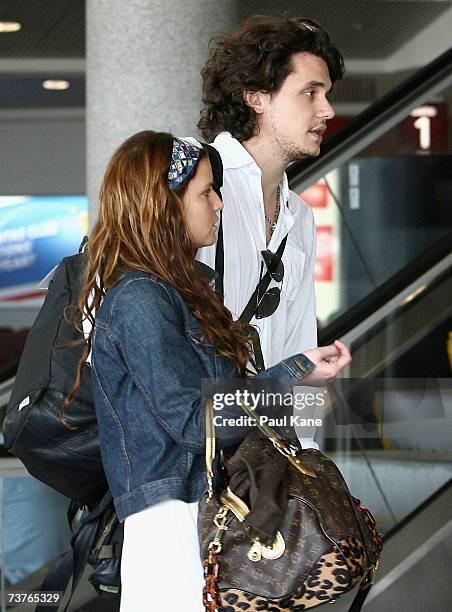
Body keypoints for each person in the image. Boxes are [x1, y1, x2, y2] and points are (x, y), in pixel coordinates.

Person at [64, 130, 351, 611]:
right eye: (204, 192)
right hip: (173, 522)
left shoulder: (177, 291)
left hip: (200, 513)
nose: (218, 203)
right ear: (164, 205)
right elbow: (194, 421)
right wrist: (289, 374)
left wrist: (293, 371)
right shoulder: (138, 299)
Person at [196, 15, 344, 369]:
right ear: (256, 97)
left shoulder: (299, 216)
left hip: (253, 419)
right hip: (184, 418)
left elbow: (297, 349)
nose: (328, 110)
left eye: (326, 94)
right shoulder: (191, 180)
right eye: (310, 93)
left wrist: (297, 424)